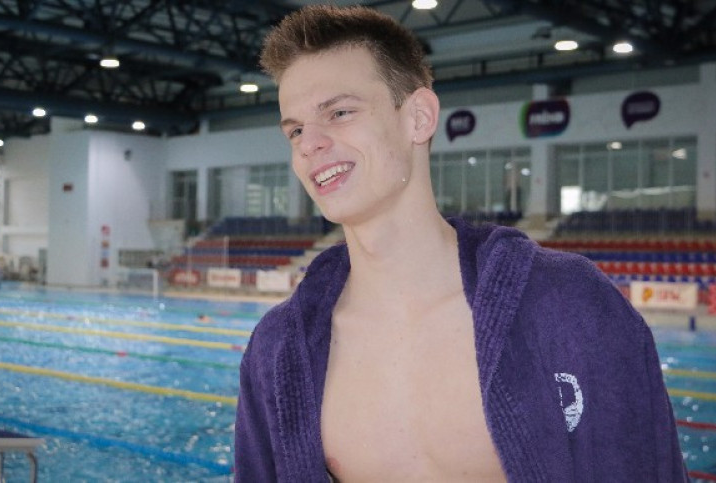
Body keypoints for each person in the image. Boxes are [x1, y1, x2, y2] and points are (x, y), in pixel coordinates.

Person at [234, 5, 688, 482]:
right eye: (296, 130)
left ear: (419, 117)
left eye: (340, 112)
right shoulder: (279, 350)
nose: (309, 144)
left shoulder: (568, 304)